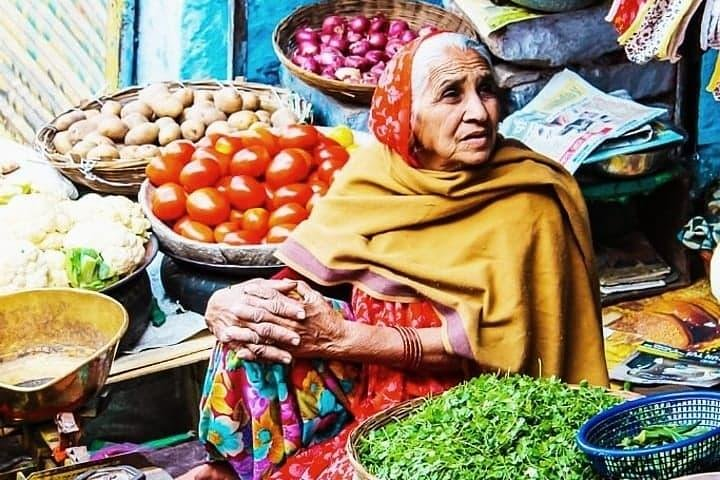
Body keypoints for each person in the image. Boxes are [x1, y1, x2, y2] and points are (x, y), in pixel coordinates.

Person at [182, 32, 609, 480]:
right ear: (405, 115)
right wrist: (228, 304)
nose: (479, 112)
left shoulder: (527, 199)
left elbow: (501, 349)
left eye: (485, 89)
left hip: (464, 406)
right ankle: (232, 470)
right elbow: (300, 279)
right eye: (451, 95)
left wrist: (344, 339)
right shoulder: (376, 173)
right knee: (253, 328)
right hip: (365, 372)